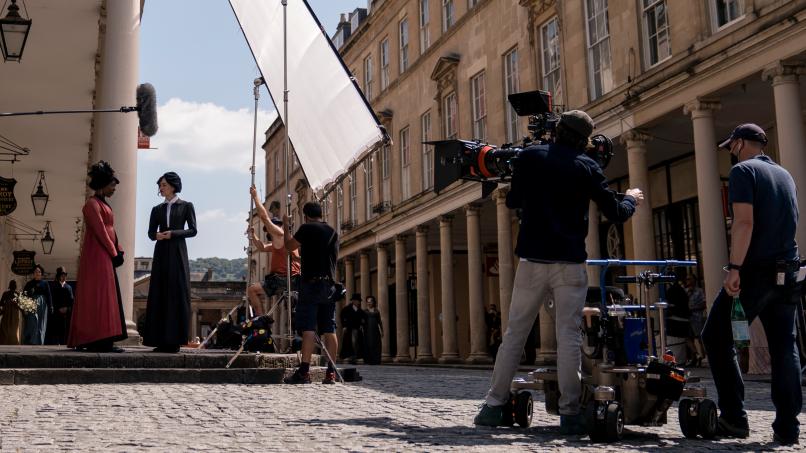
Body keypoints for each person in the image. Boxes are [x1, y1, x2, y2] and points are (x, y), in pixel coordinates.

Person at [474, 110, 643, 434]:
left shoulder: (530, 157)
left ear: (556, 131)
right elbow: (617, 212)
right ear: (585, 139)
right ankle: (568, 413)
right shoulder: (587, 166)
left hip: (533, 260)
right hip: (568, 262)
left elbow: (513, 202)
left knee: (514, 334)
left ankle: (493, 406)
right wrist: (632, 199)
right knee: (569, 336)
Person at [701, 123, 801, 445]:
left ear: (741, 143)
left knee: (715, 336)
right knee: (785, 346)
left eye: (731, 146)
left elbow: (744, 222)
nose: (731, 153)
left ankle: (733, 418)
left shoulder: (744, 172)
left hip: (755, 272)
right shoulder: (785, 175)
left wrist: (734, 268)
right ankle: (788, 429)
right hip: (788, 272)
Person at [68, 161, 127, 352]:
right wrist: (114, 251)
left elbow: (110, 230)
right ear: (103, 184)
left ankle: (104, 339)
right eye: (112, 185)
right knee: (100, 295)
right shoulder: (91, 205)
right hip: (97, 255)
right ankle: (98, 339)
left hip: (104, 253)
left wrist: (118, 249)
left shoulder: (100, 203)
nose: (114, 189)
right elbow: (101, 231)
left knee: (105, 295)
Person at [282, 201, 340, 384]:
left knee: (308, 329)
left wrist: (286, 227)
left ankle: (304, 372)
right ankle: (331, 372)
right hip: (329, 285)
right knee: (329, 329)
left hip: (311, 284)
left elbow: (289, 246)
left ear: (305, 215)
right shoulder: (333, 231)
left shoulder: (306, 228)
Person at [143, 172, 197, 353]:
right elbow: (151, 233)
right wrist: (157, 236)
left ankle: (174, 340)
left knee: (176, 292)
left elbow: (193, 230)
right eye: (160, 185)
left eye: (164, 184)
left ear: (173, 186)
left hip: (178, 251)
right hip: (161, 252)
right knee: (160, 291)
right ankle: (159, 340)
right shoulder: (156, 209)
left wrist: (173, 233)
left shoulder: (186, 206)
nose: (161, 188)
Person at [246, 186, 300, 316]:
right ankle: (262, 318)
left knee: (252, 290)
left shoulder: (280, 234)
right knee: (254, 290)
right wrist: (253, 236)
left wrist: (255, 197)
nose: (268, 233)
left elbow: (264, 217)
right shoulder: (283, 241)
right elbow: (262, 247)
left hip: (283, 278)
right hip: (290, 278)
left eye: (269, 229)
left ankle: (261, 319)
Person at [22, 264, 52, 345]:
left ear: (41, 273)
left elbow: (48, 295)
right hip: (31, 305)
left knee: (40, 323)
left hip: (42, 305)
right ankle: (31, 341)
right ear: (33, 273)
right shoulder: (29, 283)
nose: (37, 273)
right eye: (35, 272)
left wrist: (51, 306)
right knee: (32, 322)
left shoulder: (45, 283)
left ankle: (39, 341)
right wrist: (24, 308)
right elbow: (24, 295)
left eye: (39, 272)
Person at [45, 267, 74, 345]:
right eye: (62, 275)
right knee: (55, 331)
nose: (63, 277)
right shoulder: (53, 286)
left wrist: (67, 309)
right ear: (58, 276)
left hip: (66, 314)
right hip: (56, 313)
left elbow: (71, 301)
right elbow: (51, 299)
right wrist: (57, 308)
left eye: (64, 275)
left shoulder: (69, 287)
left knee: (65, 330)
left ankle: (65, 344)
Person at [685, 274, 706, 367]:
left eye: (690, 279)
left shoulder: (699, 291)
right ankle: (695, 357)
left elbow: (704, 304)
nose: (688, 281)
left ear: (694, 280)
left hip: (697, 318)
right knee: (688, 338)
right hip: (688, 319)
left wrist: (693, 308)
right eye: (687, 279)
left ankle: (704, 357)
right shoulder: (686, 291)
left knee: (700, 338)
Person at [340, 293, 366, 364]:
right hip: (349, 329)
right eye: (357, 301)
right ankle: (350, 356)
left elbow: (363, 319)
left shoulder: (360, 311)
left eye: (359, 301)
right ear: (353, 301)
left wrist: (361, 324)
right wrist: (344, 326)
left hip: (357, 328)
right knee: (350, 343)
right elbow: (342, 317)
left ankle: (356, 356)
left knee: (357, 343)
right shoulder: (346, 309)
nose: (359, 302)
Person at [363, 295, 383, 365]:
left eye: (370, 301)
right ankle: (369, 360)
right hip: (368, 331)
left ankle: (376, 360)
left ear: (373, 302)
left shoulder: (377, 311)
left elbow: (379, 322)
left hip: (375, 330)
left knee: (376, 345)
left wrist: (382, 331)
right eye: (368, 302)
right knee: (369, 344)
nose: (369, 303)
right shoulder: (364, 311)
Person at [0, 280, 21, 345]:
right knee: (13, 328)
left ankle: (5, 341)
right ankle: (12, 342)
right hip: (12, 314)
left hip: (8, 313)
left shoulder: (6, 293)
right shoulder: (17, 294)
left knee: (6, 328)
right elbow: (20, 305)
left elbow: (1, 304)